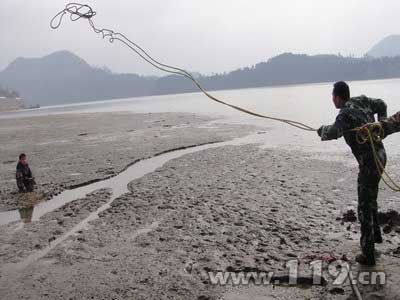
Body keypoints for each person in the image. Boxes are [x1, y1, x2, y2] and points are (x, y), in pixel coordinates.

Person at [317, 81, 387, 265]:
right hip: (381, 156)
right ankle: (376, 236)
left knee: (364, 206)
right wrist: (381, 126)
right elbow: (382, 104)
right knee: (372, 198)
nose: (332, 100)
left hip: (370, 163)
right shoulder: (362, 100)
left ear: (338, 97)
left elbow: (333, 132)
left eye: (333, 97)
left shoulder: (344, 115)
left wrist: (320, 131)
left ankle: (368, 254)